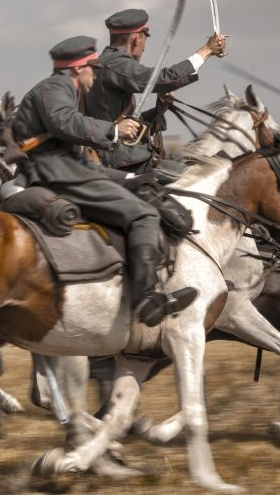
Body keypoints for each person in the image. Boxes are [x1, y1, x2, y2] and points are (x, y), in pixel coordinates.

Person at [10, 35, 198, 326]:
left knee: (142, 186)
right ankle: (146, 300)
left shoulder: (67, 91)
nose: (96, 75)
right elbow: (64, 123)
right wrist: (112, 130)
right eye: (92, 69)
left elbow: (79, 155)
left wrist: (130, 177)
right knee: (145, 215)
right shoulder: (55, 87)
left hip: (69, 170)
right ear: (77, 68)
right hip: (56, 174)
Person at [84, 8, 226, 174]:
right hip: (123, 160)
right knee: (196, 176)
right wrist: (206, 51)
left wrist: (160, 108)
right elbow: (165, 79)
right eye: (145, 40)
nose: (144, 48)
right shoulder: (116, 63)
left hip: (118, 156)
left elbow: (121, 121)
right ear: (137, 38)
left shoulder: (104, 62)